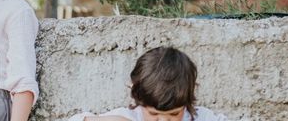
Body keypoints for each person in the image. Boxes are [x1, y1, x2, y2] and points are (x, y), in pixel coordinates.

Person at [68, 47, 229, 121]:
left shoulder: (203, 118)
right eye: (153, 114)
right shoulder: (128, 118)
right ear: (138, 98)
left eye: (174, 114)